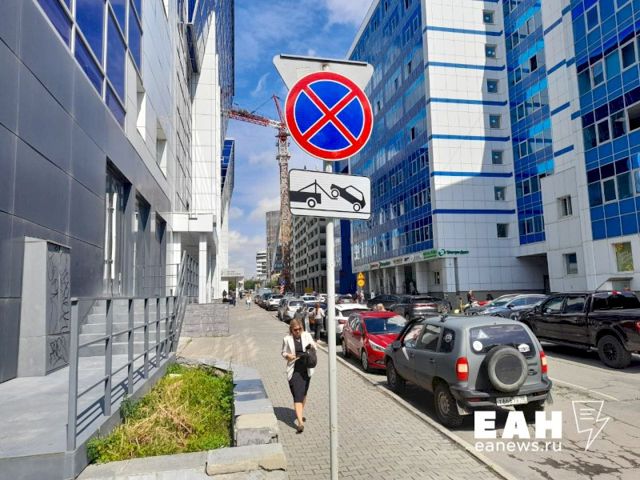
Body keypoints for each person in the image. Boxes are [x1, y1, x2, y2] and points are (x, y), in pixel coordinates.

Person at [281, 319, 316, 433]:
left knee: (304, 394)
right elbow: (283, 352)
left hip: (306, 369)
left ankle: (299, 414)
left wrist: (311, 346)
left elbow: (314, 346)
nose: (298, 331)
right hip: (294, 370)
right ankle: (300, 423)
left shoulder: (306, 336)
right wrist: (288, 356)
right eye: (295, 330)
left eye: (299, 329)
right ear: (291, 330)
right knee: (297, 395)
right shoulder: (287, 339)